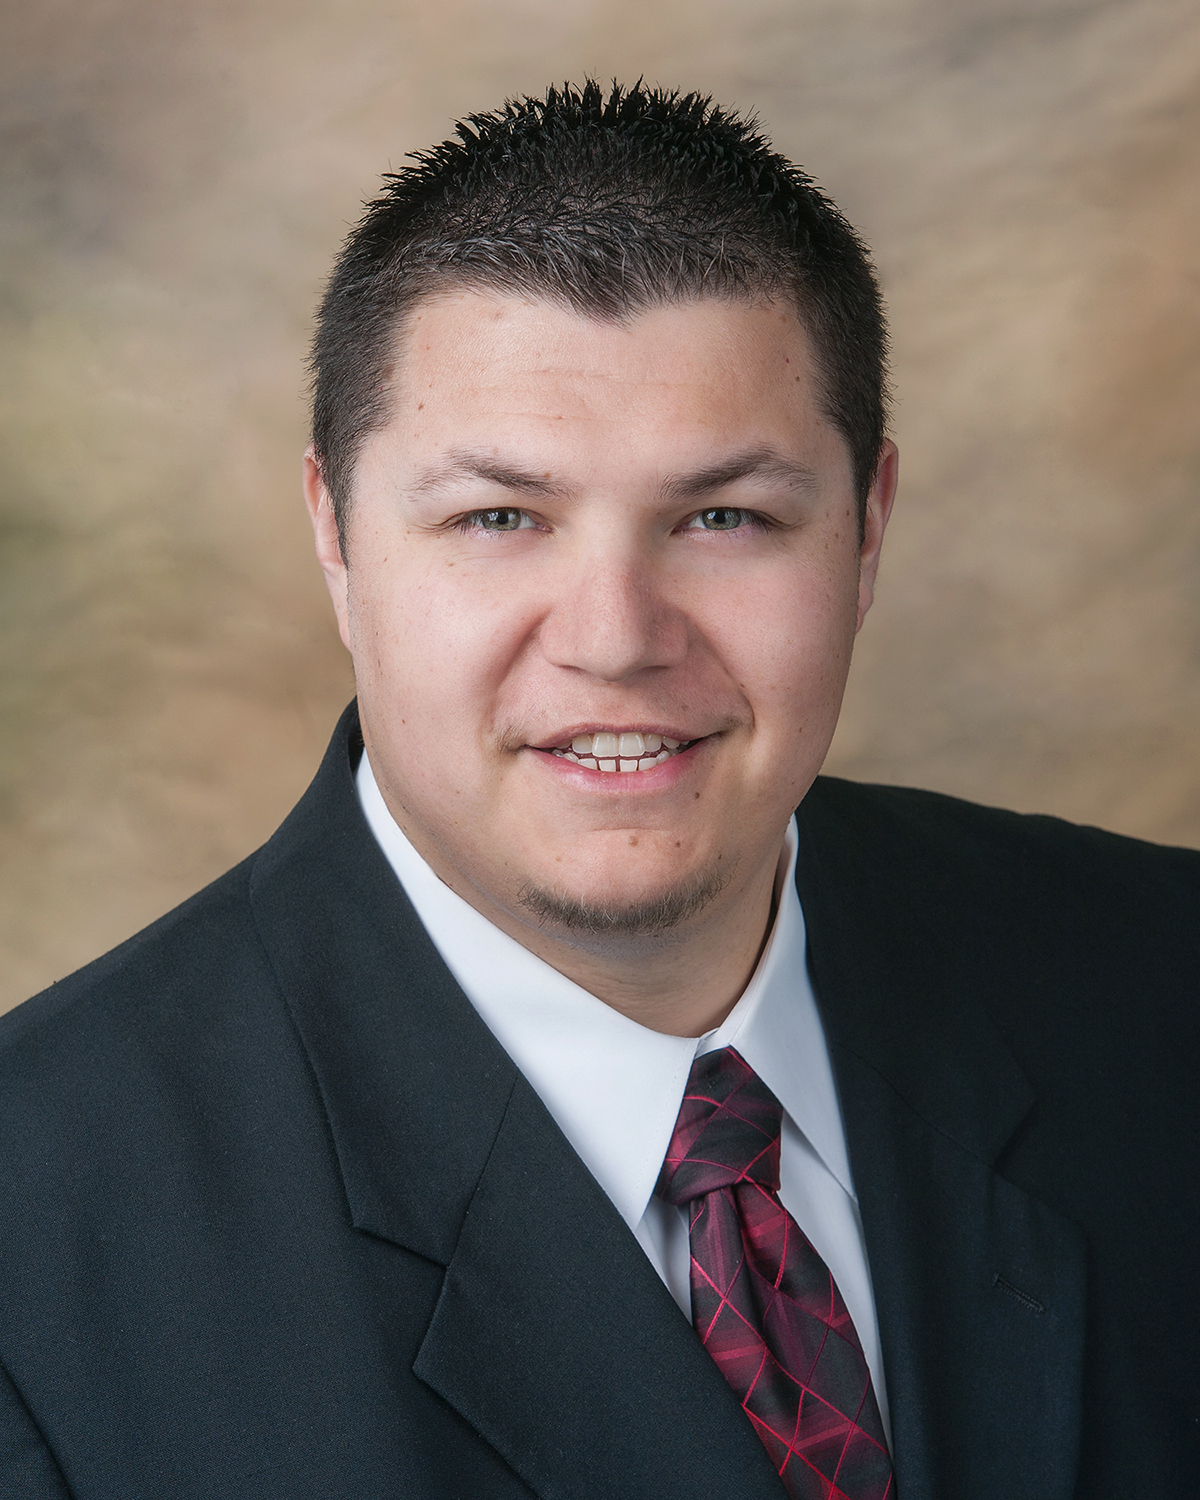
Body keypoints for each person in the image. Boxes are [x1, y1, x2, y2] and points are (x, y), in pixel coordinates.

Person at [0, 81, 1196, 1500]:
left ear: (868, 529)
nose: (618, 637)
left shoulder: (1162, 982)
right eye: (499, 517)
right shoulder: (37, 1241)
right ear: (335, 534)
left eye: (725, 517)